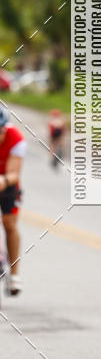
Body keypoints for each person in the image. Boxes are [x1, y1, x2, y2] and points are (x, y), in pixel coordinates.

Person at [0, 107, 26, 295]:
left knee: (9, 224)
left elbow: (14, 174)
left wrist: (3, 180)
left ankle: (15, 275)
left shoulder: (16, 138)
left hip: (7, 182)